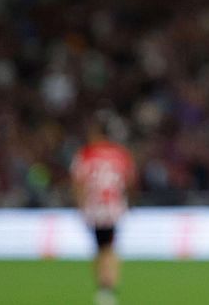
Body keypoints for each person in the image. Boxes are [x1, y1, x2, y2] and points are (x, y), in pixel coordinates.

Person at [70, 119, 136, 305]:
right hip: (114, 208)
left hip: (94, 208)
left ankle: (104, 288)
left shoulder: (86, 154)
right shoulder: (120, 154)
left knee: (100, 248)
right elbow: (130, 181)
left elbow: (78, 181)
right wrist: (129, 202)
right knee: (109, 247)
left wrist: (80, 205)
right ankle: (108, 288)